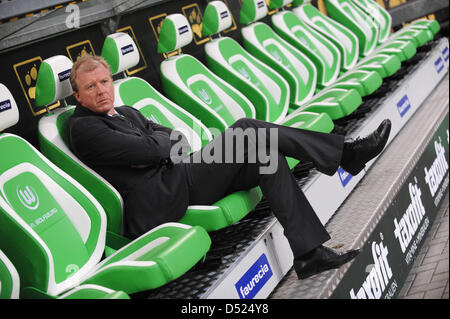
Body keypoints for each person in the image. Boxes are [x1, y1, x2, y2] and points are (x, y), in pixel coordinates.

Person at [69, 54, 391, 280]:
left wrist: (158, 151)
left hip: (182, 174)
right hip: (164, 197)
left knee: (266, 154)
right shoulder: (83, 128)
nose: (101, 91)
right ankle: (345, 153)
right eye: (91, 87)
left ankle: (309, 254)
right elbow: (155, 145)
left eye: (104, 81)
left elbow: (174, 138)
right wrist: (159, 150)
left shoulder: (126, 112)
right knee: (247, 127)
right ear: (77, 96)